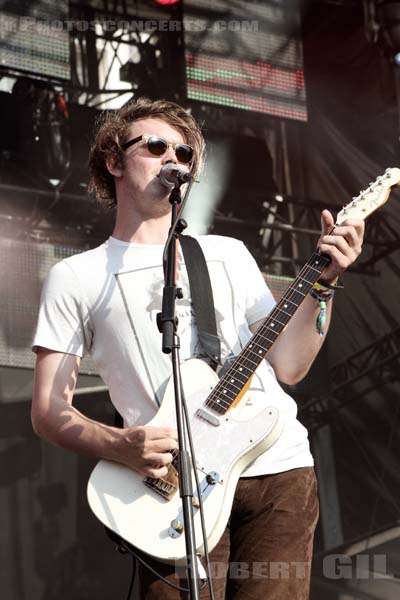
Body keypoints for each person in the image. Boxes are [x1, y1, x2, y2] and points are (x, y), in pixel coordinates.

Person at [31, 97, 365, 599]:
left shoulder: (226, 254)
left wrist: (323, 288)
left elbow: (291, 365)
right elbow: (48, 411)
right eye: (157, 146)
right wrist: (121, 445)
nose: (174, 160)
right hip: (170, 490)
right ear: (114, 161)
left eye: (185, 155)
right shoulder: (76, 277)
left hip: (277, 472)